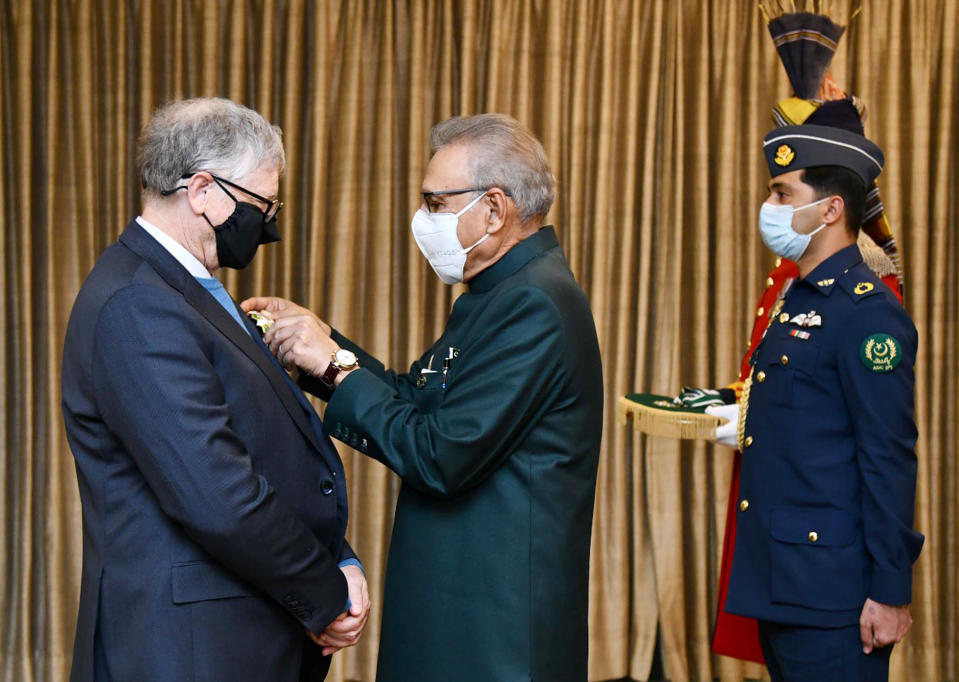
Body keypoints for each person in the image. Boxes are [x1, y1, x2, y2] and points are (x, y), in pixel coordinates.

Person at [244, 113, 603, 681]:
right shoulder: (499, 291)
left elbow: (441, 452)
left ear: (493, 207)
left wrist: (333, 370)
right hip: (459, 604)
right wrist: (316, 343)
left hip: (494, 624)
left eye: (436, 203)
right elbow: (419, 399)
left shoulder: (535, 304)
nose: (423, 219)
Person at [61, 97, 369, 682]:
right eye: (262, 204)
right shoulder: (139, 304)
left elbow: (269, 456)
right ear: (202, 190)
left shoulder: (185, 290)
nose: (269, 225)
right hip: (190, 650)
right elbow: (219, 496)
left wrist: (339, 554)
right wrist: (325, 592)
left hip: (236, 634)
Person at [714, 123, 924, 681]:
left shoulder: (867, 312)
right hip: (785, 578)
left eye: (783, 193)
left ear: (831, 210)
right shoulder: (798, 299)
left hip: (835, 595)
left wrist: (889, 591)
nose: (769, 205)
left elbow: (888, 456)